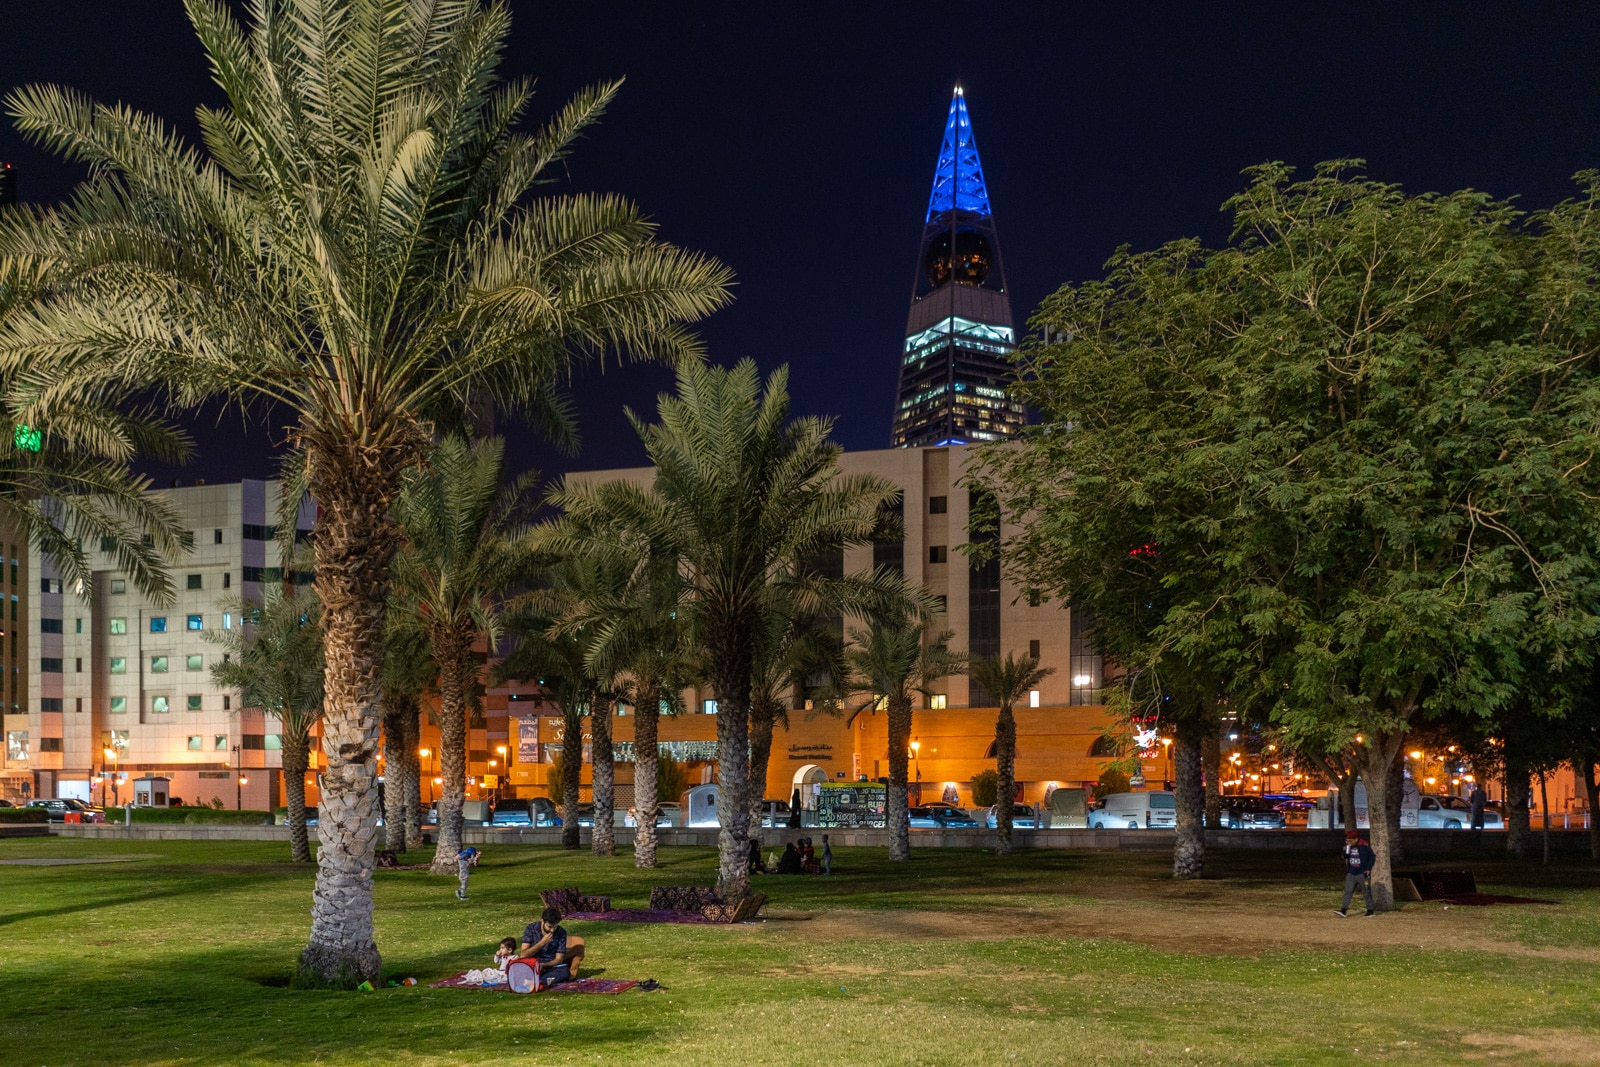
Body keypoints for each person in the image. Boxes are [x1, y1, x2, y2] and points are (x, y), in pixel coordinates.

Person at [519, 906, 585, 983]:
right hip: (532, 964)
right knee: (521, 969)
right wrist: (542, 942)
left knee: (565, 972)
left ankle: (538, 980)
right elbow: (523, 955)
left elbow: (558, 959)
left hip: (549, 966)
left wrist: (543, 965)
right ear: (542, 921)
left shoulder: (561, 932)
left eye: (555, 927)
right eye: (550, 927)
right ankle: (541, 980)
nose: (552, 930)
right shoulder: (531, 929)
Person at [1336, 831, 1376, 918]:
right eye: (1347, 841)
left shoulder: (1364, 846)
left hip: (1362, 873)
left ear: (1356, 839)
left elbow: (1372, 856)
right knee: (1348, 891)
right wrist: (1345, 850)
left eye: (1350, 840)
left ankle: (1370, 910)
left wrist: (1368, 868)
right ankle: (1343, 910)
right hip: (1351, 872)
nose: (1348, 842)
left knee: (1366, 891)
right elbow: (1345, 857)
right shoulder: (1348, 847)